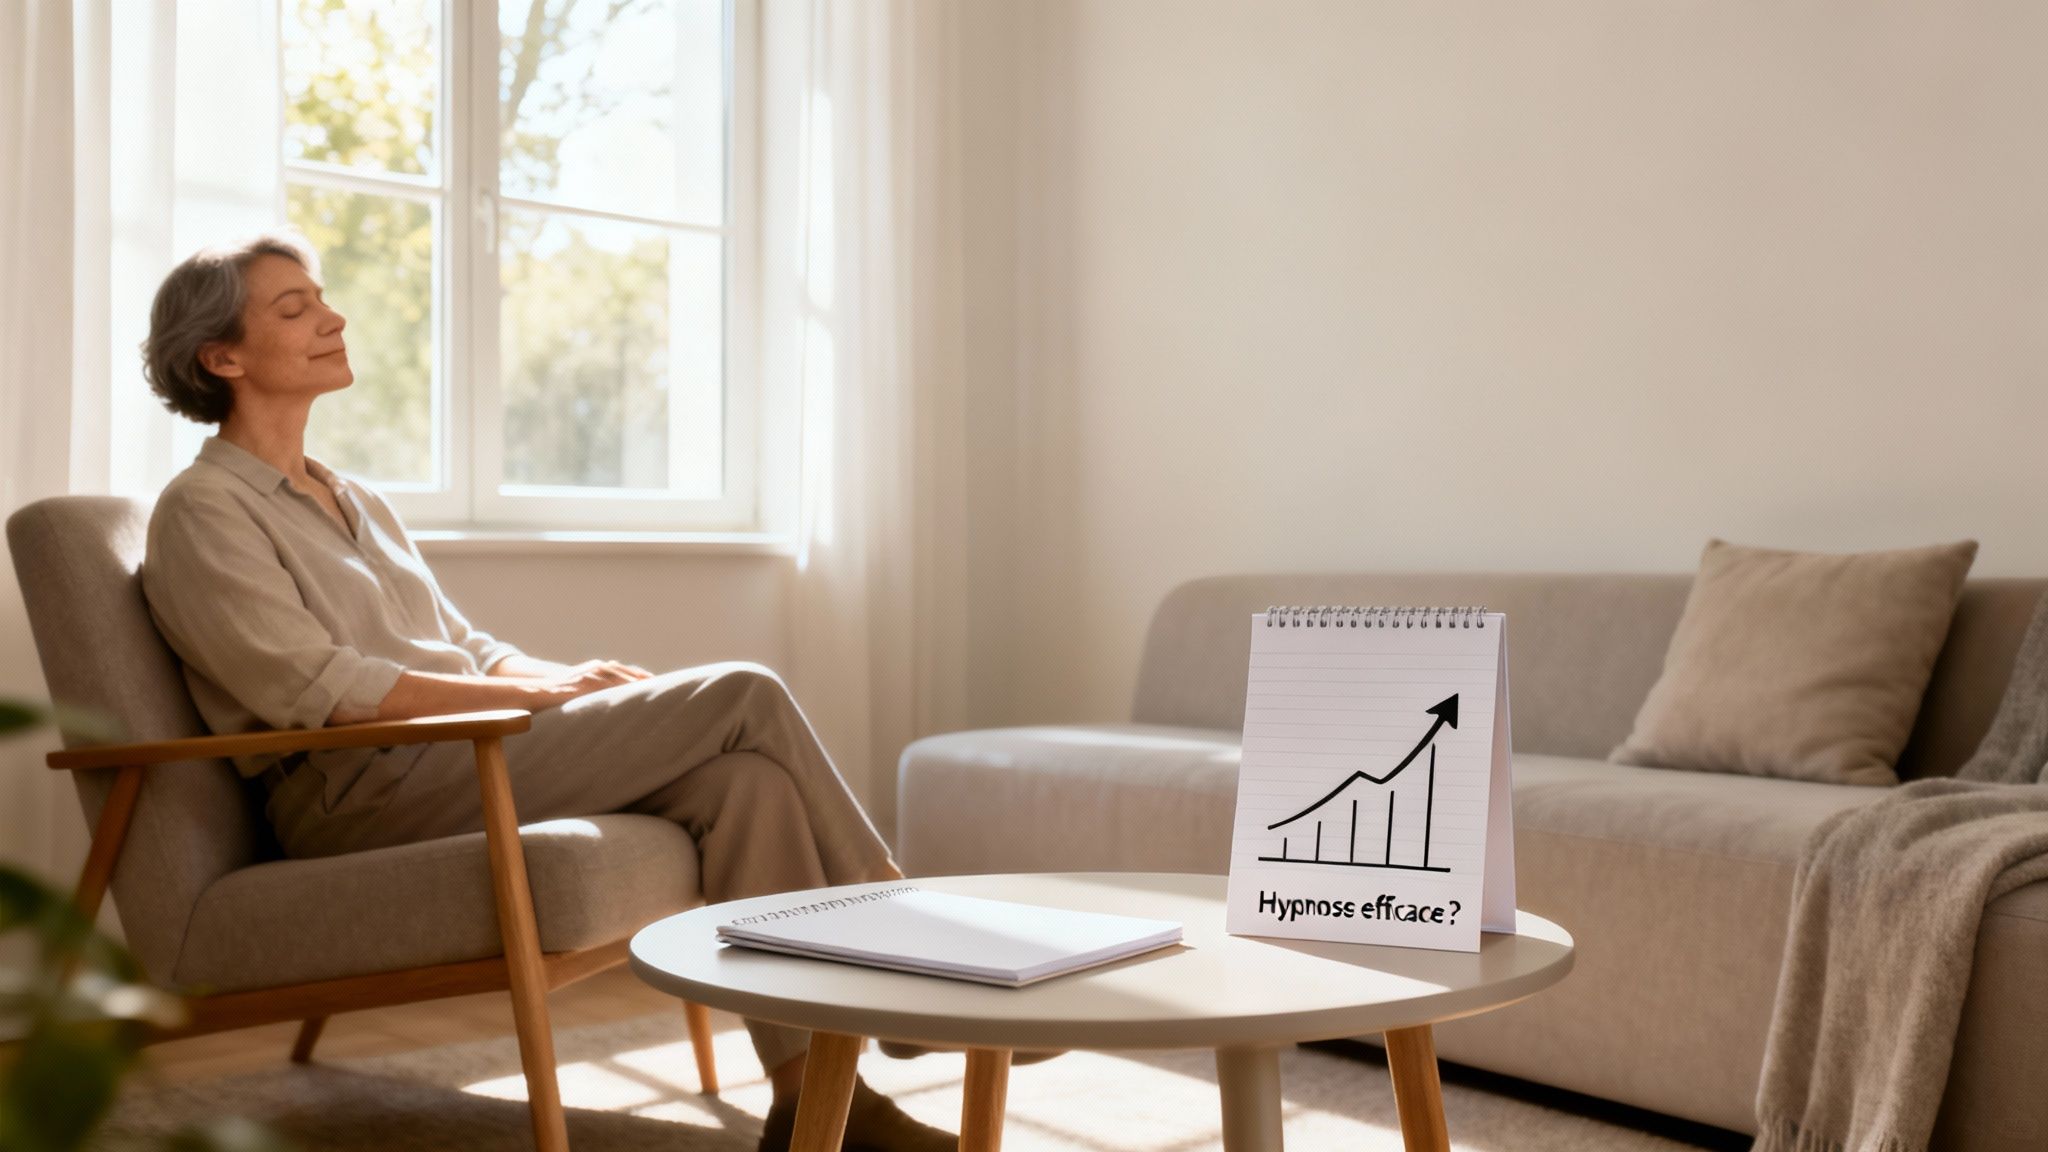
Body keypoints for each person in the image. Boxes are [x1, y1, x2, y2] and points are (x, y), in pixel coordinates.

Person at [137, 235, 949, 1152]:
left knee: (744, 787)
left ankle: (816, 1101)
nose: (333, 318)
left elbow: (467, 646)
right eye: (294, 309)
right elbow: (316, 687)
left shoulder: (350, 495)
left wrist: (553, 679)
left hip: (452, 756)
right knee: (744, 693)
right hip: (356, 790)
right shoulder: (203, 510)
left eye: (322, 298)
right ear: (222, 357)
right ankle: (916, 968)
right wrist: (539, 707)